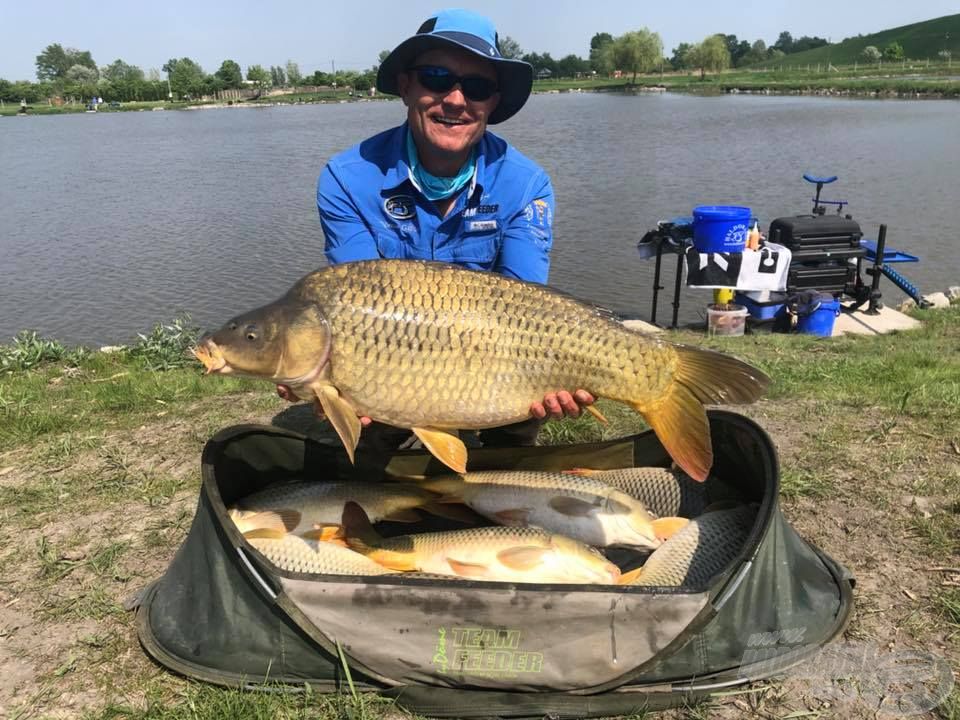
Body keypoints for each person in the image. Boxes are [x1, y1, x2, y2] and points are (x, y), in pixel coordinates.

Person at [279, 8, 593, 455]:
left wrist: (563, 370)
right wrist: (311, 371)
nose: (456, 100)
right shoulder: (347, 178)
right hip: (395, 360)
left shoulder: (527, 184)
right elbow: (351, 307)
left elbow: (526, 304)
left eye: (478, 87)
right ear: (406, 86)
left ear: (493, 102)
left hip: (501, 361)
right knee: (371, 427)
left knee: (515, 436)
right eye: (437, 77)